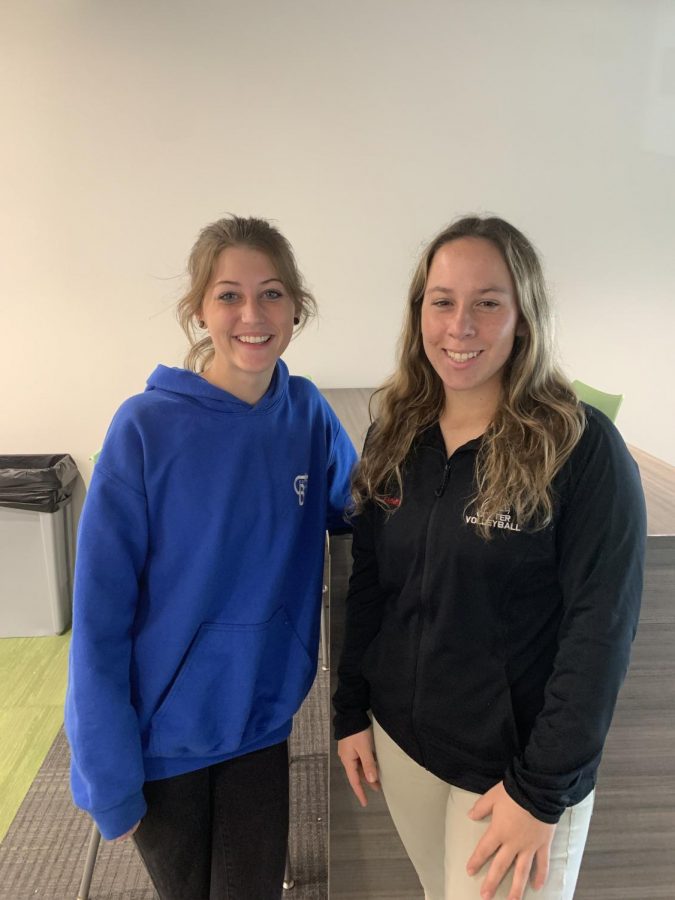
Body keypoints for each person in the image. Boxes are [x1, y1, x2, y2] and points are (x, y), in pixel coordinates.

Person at [333, 216, 646, 900]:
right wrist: (350, 708)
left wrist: (539, 793)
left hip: (513, 773)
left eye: (487, 302)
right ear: (419, 311)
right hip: (405, 745)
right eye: (441, 301)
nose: (459, 326)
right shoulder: (398, 431)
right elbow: (370, 584)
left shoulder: (579, 448)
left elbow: (599, 635)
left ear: (523, 315)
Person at [65, 215, 357, 899]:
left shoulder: (307, 414)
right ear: (198, 309)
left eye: (272, 293)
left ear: (296, 308)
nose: (251, 315)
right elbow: (99, 616)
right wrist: (107, 773)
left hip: (260, 722)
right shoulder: (144, 428)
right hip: (161, 738)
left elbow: (362, 510)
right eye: (228, 295)